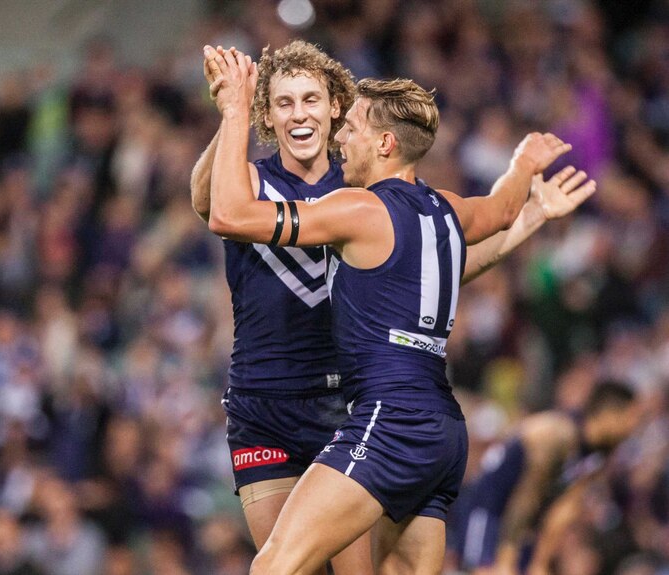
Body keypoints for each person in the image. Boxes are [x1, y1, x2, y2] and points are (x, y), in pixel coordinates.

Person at [191, 41, 596, 575]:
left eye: (314, 101)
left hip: (363, 411)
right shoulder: (404, 199)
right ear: (270, 114)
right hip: (279, 405)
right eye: (283, 102)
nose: (306, 117)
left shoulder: (358, 198)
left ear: (338, 109)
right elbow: (464, 242)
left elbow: (227, 214)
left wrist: (238, 107)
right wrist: (525, 197)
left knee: (280, 566)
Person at [451, 380, 640, 575]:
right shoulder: (557, 434)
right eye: (631, 417)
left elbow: (564, 508)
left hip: (526, 524)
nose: (634, 425)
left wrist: (539, 562)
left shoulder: (600, 452)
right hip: (489, 508)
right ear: (610, 414)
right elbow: (526, 495)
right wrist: (507, 557)